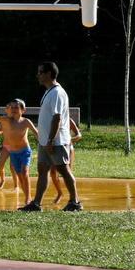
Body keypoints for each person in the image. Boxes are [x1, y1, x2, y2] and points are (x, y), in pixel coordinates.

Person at [20, 62, 81, 211]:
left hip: (56, 141)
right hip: (46, 141)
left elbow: (57, 118)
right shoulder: (49, 92)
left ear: (48, 74)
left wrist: (51, 140)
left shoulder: (57, 93)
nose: (38, 75)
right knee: (42, 170)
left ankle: (75, 202)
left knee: (63, 169)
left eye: (40, 72)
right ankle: (36, 203)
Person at [0, 99, 40, 206]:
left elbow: (37, 134)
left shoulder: (26, 122)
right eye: (12, 107)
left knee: (25, 172)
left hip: (24, 151)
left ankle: (28, 198)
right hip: (13, 152)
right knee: (20, 176)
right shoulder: (6, 120)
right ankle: (26, 194)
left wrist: (45, 144)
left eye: (16, 107)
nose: (13, 109)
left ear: (23, 110)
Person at [50, 118, 82, 204]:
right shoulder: (52, 119)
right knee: (53, 172)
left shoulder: (69, 120)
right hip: (55, 146)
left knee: (67, 172)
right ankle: (60, 193)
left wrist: (71, 140)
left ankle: (74, 196)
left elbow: (79, 135)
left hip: (67, 148)